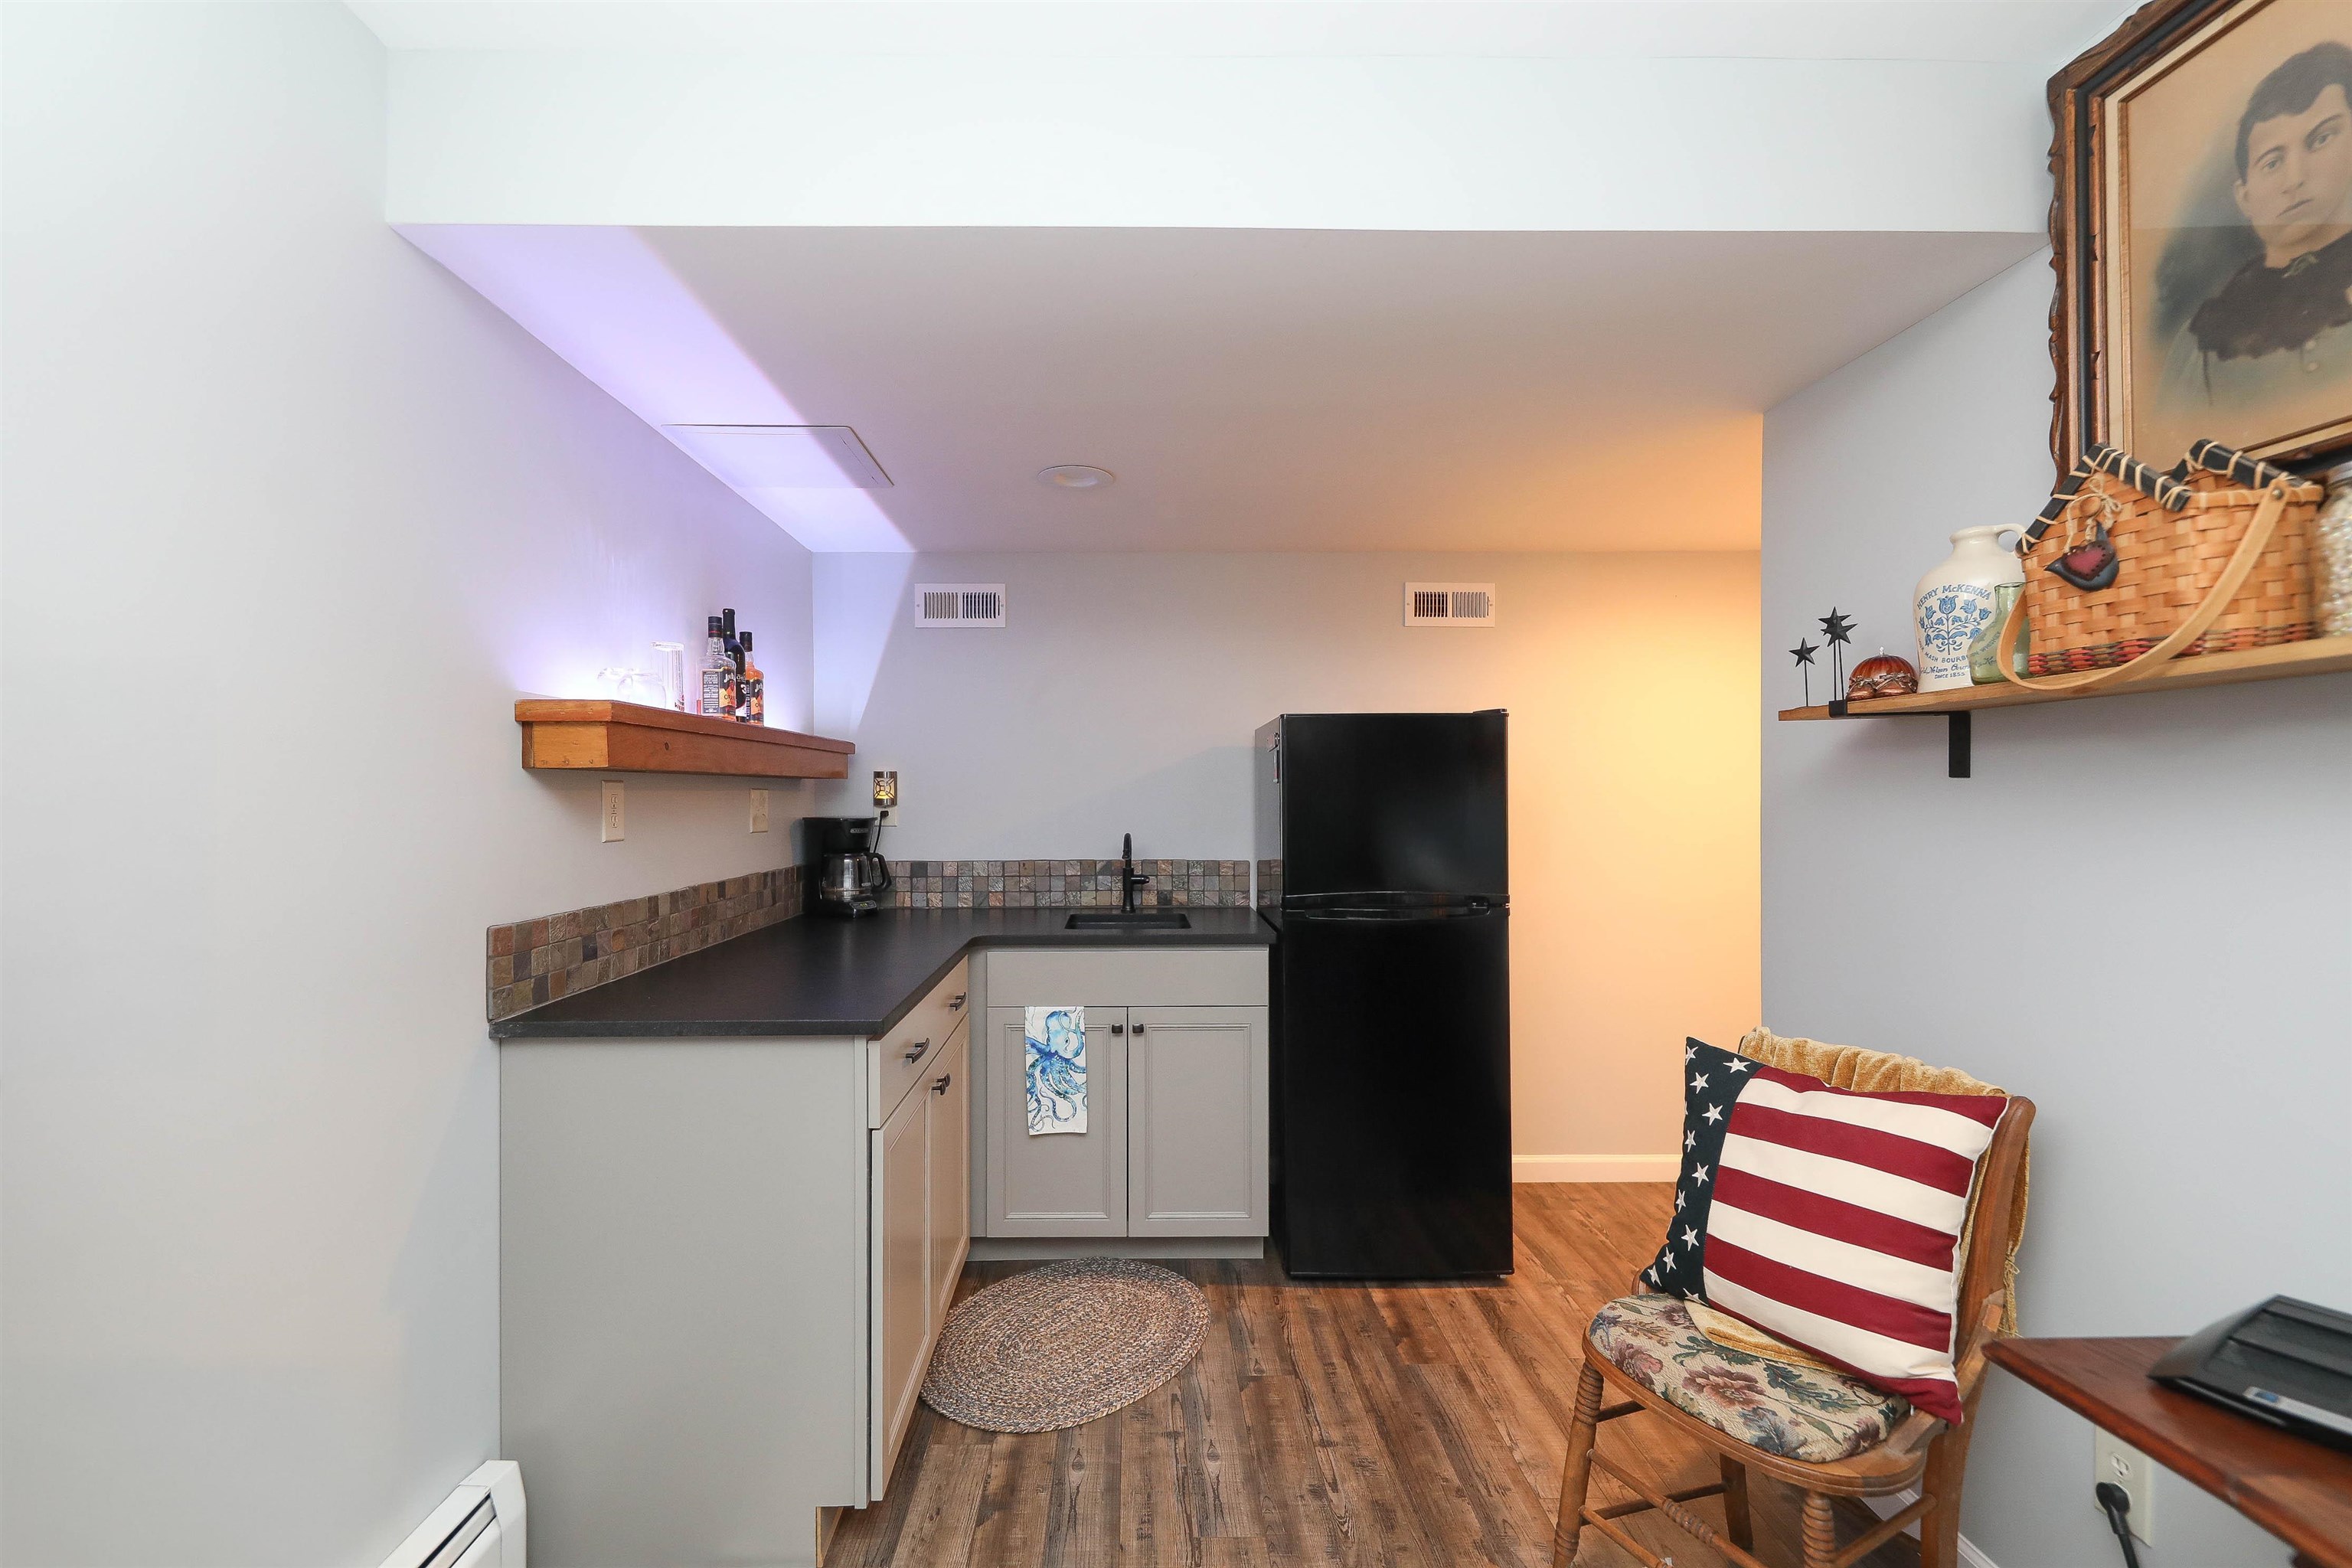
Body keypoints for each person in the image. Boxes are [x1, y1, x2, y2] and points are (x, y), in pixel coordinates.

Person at [2159, 40, 2352, 419]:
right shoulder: (2198, 343)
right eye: (2272, 162)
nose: (2295, 179)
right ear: (2244, 198)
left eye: (2320, 140)